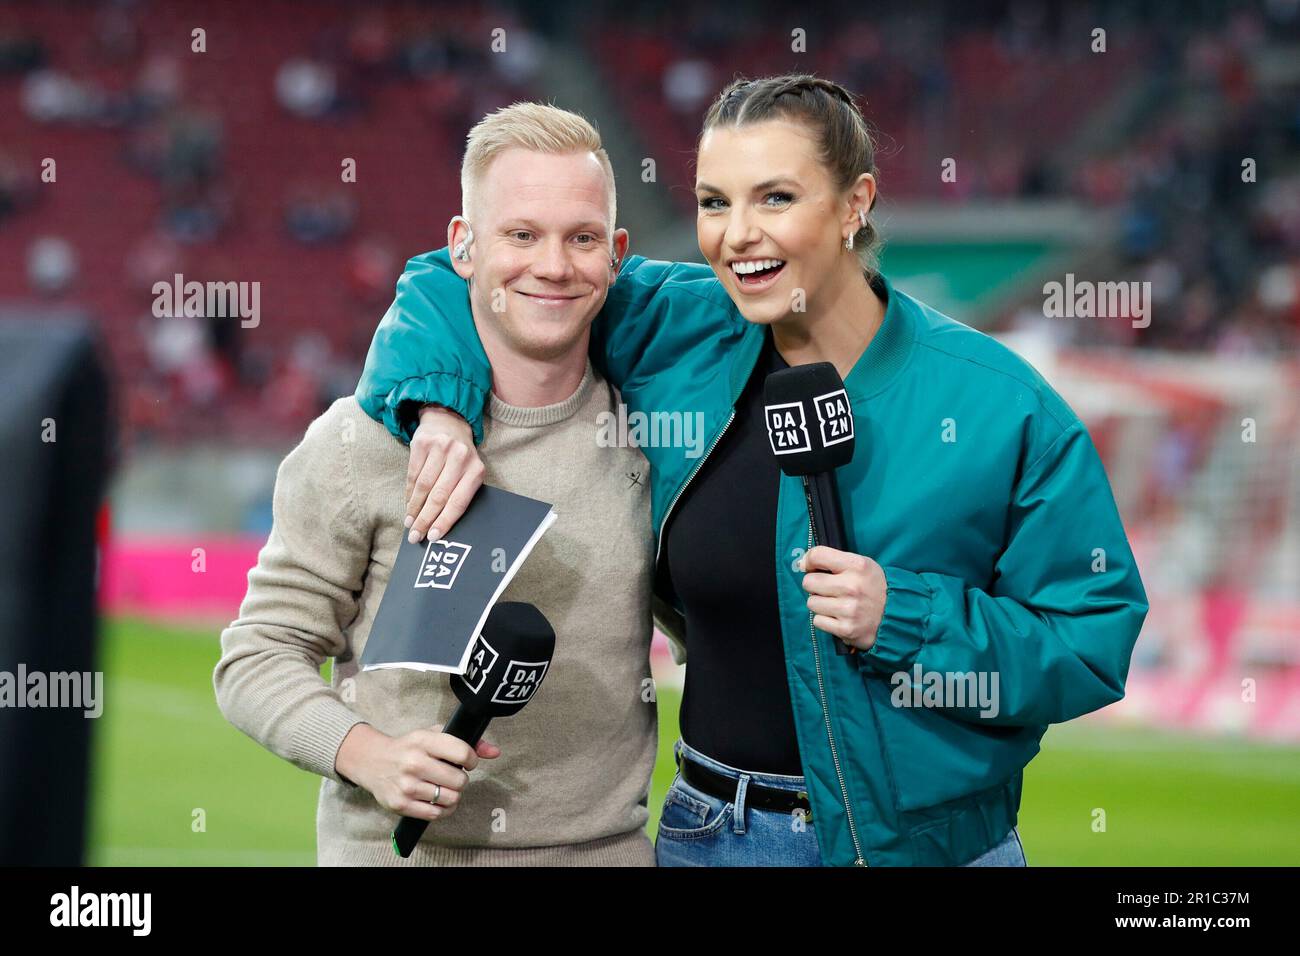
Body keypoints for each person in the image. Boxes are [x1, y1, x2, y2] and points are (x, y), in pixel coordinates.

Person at [354, 75, 1149, 867]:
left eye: (774, 199)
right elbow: (458, 276)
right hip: (708, 836)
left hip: (926, 851)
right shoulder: (677, 326)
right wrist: (444, 410)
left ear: (854, 204)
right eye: (713, 202)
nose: (738, 235)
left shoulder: (997, 404)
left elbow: (1090, 639)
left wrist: (904, 617)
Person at [214, 102, 658, 866]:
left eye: (581, 238)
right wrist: (365, 753)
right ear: (463, 246)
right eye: (521, 234)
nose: (552, 265)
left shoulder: (653, 436)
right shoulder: (359, 441)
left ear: (615, 253)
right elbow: (257, 656)